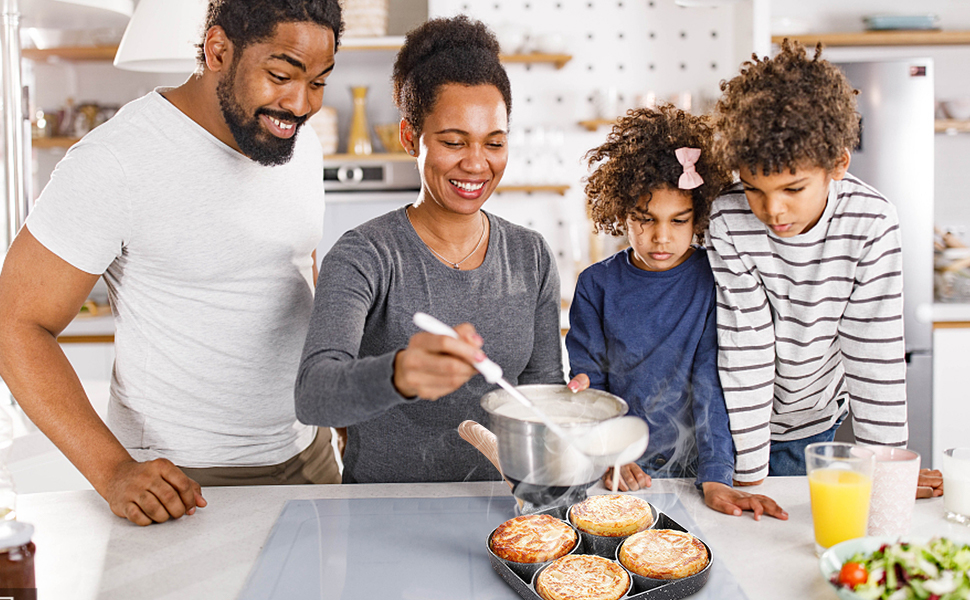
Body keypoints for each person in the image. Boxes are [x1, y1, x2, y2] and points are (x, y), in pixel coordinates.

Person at [0, 0, 345, 527]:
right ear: (218, 50)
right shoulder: (117, 160)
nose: (301, 104)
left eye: (319, 82)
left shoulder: (298, 141)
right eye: (281, 75)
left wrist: (336, 393)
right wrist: (112, 470)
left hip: (310, 457)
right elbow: (14, 324)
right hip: (183, 482)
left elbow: (294, 268)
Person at [294, 16, 581, 484]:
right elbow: (314, 395)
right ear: (411, 138)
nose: (476, 163)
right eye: (453, 141)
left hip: (505, 519)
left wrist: (575, 426)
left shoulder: (531, 256)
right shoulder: (364, 255)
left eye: (495, 142)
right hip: (382, 519)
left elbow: (539, 397)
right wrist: (401, 373)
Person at [708, 40, 942, 496]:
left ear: (837, 165)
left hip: (814, 418)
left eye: (793, 188)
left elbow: (874, 353)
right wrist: (751, 478)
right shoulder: (729, 218)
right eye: (755, 188)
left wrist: (887, 471)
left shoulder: (871, 220)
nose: (772, 210)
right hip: (729, 422)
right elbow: (746, 349)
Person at [566, 106, 786, 520]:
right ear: (620, 214)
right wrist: (608, 452)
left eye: (679, 220)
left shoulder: (714, 279)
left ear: (700, 215)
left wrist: (716, 475)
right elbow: (590, 385)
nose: (661, 237)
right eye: (644, 219)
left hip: (701, 471)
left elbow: (713, 381)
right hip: (619, 471)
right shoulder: (596, 286)